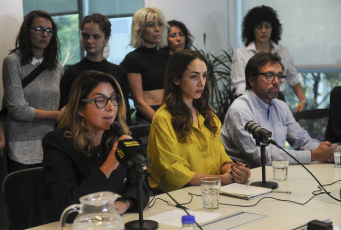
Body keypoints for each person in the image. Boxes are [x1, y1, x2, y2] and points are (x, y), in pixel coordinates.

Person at [42, 70, 149, 222]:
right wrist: (109, 165)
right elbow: (64, 207)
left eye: (113, 99)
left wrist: (126, 203)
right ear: (80, 108)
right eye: (100, 100)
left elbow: (141, 184)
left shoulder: (117, 137)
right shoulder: (57, 143)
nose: (111, 107)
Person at [148, 50, 250, 192]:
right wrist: (220, 179)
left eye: (204, 76)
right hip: (180, 195)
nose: (202, 83)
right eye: (194, 77)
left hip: (212, 191)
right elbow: (173, 173)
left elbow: (222, 160)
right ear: (176, 79)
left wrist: (236, 172)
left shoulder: (209, 115)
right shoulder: (163, 119)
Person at [221, 52, 334, 168]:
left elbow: (301, 140)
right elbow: (262, 156)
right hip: (244, 178)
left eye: (279, 76)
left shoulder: (281, 106)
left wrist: (328, 150)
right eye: (269, 75)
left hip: (275, 173)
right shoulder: (240, 110)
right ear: (252, 80)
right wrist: (313, 155)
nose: (276, 82)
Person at [2, 10, 63, 172]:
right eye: (38, 29)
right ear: (26, 31)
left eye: (49, 31)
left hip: (51, 141)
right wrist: (56, 115)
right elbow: (18, 110)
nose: (44, 34)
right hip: (22, 144)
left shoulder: (57, 66)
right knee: (24, 195)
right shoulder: (12, 62)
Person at [231, 5, 307, 112]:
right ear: (251, 29)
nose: (263, 31)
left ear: (273, 28)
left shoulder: (284, 52)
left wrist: (303, 100)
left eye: (267, 26)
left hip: (278, 100)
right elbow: (240, 86)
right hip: (251, 102)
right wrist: (251, 107)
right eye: (259, 27)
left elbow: (293, 79)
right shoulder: (241, 54)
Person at [59, 13, 131, 124]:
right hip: (80, 135)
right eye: (85, 36)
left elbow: (124, 112)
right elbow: (64, 112)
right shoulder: (71, 73)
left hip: (113, 133)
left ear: (106, 39)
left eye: (96, 36)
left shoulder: (119, 72)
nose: (89, 41)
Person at [121, 7, 170, 125]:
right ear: (140, 29)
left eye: (160, 24)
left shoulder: (166, 56)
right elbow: (139, 102)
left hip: (169, 115)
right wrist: (161, 122)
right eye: (151, 25)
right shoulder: (132, 59)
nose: (157, 29)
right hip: (147, 120)